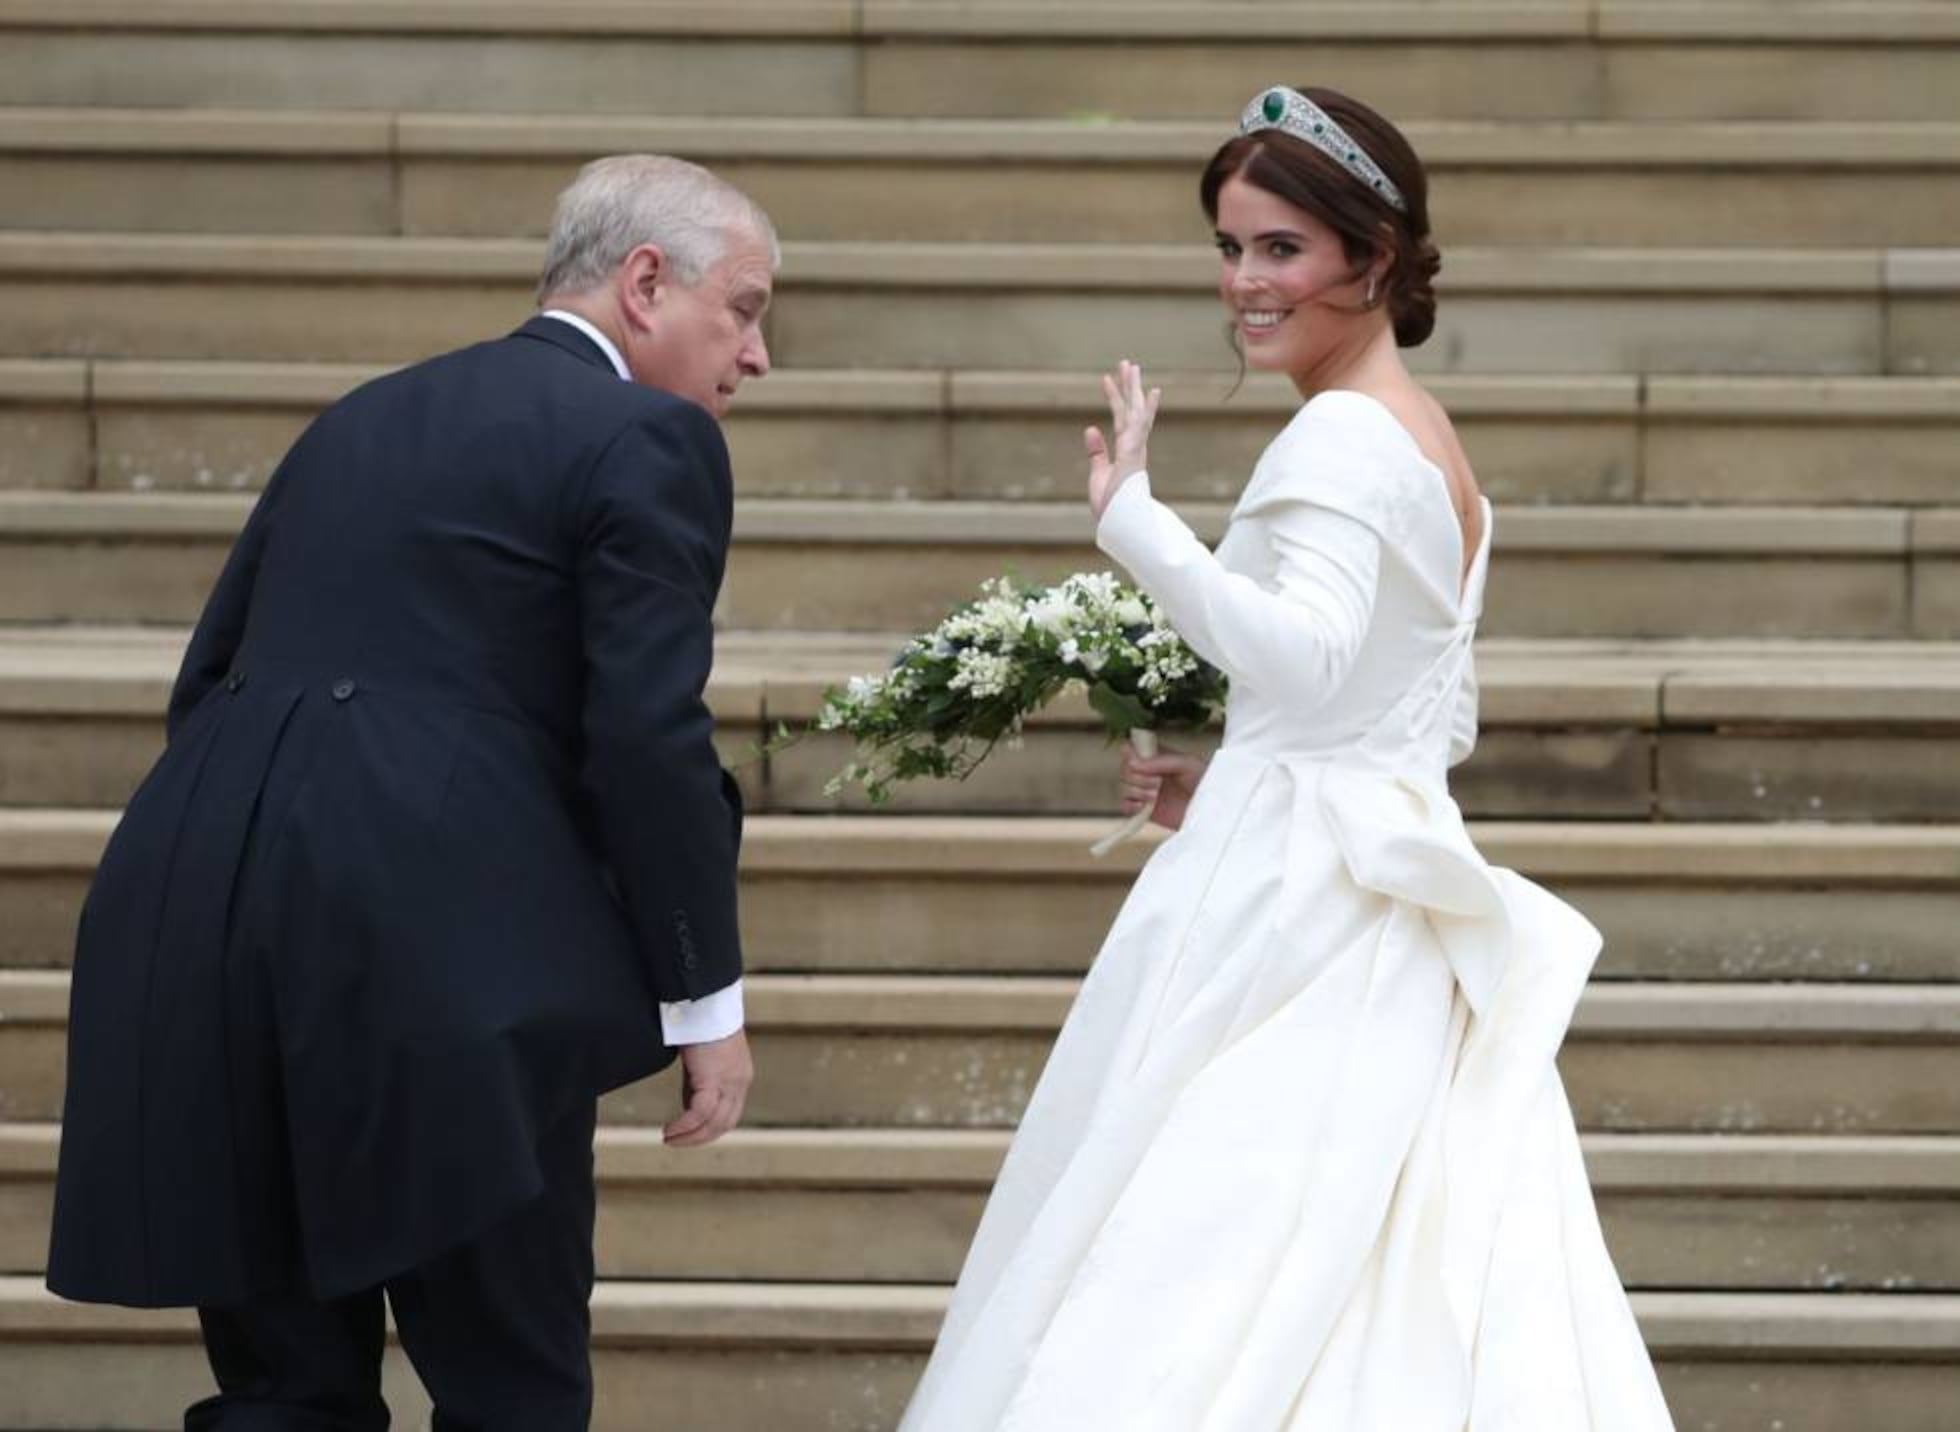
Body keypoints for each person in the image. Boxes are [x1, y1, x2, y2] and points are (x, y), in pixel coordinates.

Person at [899, 87, 1676, 1430]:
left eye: (1280, 249)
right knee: (1372, 1249)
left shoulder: (1340, 432)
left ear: (1372, 261)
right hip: (1370, 871)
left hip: (1299, 910)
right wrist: (1256, 764)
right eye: (1231, 247)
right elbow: (1417, 705)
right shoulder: (1431, 439)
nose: (1245, 283)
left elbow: (1308, 658)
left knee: (1206, 1244)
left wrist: (1134, 525)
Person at [47, 154, 774, 1427]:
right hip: (454, 956)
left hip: (211, 923)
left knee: (284, 1388)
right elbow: (645, 735)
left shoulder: (361, 414)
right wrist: (702, 992)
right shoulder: (652, 436)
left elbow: (208, 680)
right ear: (646, 284)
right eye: (750, 309)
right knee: (511, 1381)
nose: (756, 358)